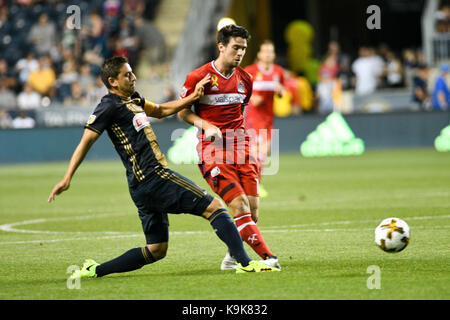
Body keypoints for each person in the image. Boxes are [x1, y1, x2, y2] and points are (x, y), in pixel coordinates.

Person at [48, 56, 279, 279]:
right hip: (153, 177)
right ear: (113, 81)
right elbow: (86, 140)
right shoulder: (108, 106)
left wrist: (193, 97)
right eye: (127, 75)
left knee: (157, 249)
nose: (134, 77)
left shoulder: (134, 100)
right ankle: (245, 264)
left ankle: (95, 270)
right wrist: (67, 178)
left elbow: (160, 110)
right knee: (216, 207)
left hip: (140, 186)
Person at [178, 25, 280, 270]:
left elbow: (241, 111)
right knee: (239, 205)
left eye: (243, 49)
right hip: (213, 151)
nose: (240, 53)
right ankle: (268, 258)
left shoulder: (246, 79)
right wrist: (206, 125)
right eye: (235, 47)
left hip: (242, 148)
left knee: (252, 212)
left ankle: (231, 257)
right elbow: (182, 112)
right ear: (221, 46)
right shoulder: (198, 77)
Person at [243, 40, 285, 198]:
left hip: (268, 118)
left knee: (263, 154)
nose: (268, 54)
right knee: (257, 152)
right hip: (253, 117)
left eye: (271, 51)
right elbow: (243, 92)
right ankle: (254, 186)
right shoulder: (250, 71)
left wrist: (280, 91)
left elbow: (281, 92)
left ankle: (254, 184)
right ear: (259, 54)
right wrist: (253, 97)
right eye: (265, 51)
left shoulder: (278, 72)